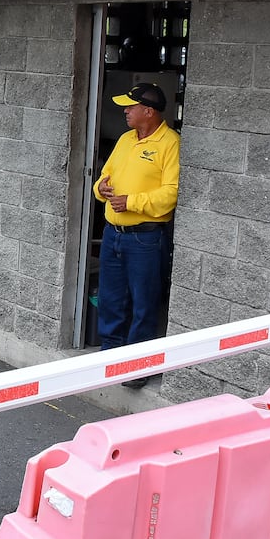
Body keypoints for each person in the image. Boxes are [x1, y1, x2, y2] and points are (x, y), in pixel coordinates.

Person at [93, 82, 180, 373]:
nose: (125, 111)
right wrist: (100, 188)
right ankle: (109, 358)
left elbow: (171, 194)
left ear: (149, 111)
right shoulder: (126, 139)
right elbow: (105, 175)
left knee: (144, 304)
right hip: (112, 234)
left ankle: (137, 368)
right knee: (110, 299)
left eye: (130, 107)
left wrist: (132, 201)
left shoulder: (170, 144)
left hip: (145, 239)